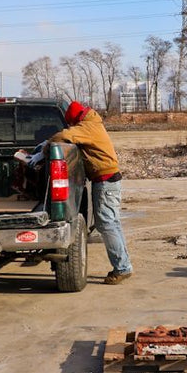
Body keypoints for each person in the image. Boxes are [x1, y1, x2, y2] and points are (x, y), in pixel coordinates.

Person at [50, 101, 133, 284]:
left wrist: (45, 145)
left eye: (71, 123)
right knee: (112, 224)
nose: (71, 126)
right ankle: (124, 265)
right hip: (108, 181)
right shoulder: (92, 122)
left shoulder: (87, 127)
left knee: (106, 224)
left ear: (74, 119)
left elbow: (64, 136)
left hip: (105, 181)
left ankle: (122, 268)